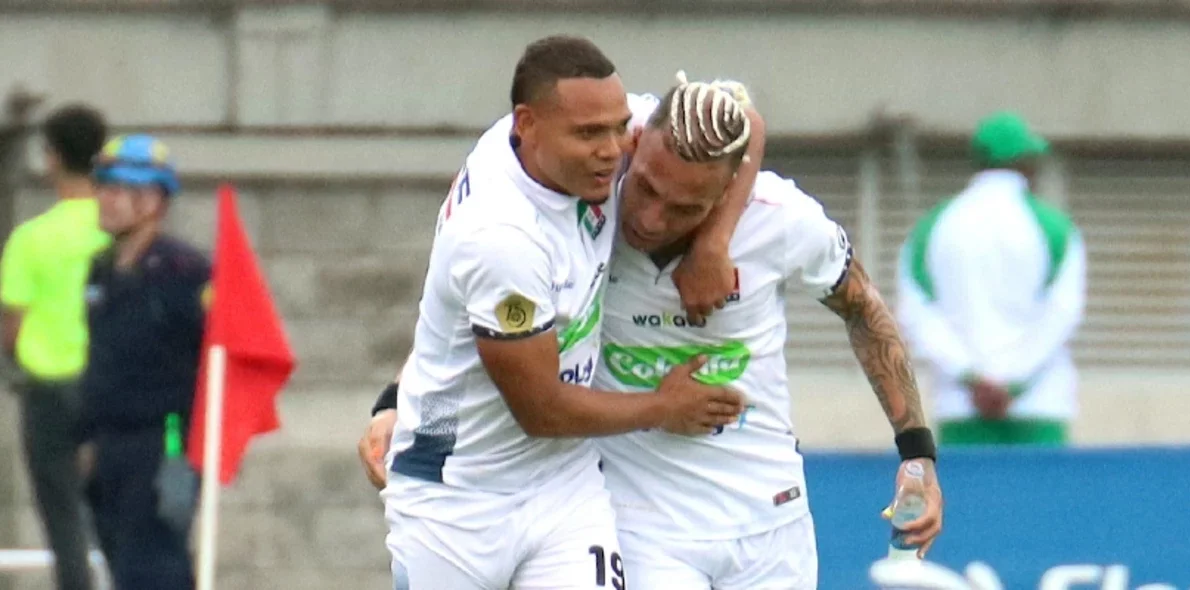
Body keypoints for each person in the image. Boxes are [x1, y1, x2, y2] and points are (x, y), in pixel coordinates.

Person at [364, 78, 944, 589]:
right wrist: (401, 401)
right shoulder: (587, 195)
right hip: (639, 522)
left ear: (726, 194)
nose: (648, 218)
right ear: (636, 145)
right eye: (645, 188)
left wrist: (916, 454)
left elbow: (863, 308)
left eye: (684, 208)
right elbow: (479, 304)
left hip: (771, 516)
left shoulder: (782, 219)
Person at [379, 36, 762, 590]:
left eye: (618, 126)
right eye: (590, 135)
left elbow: (744, 122)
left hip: (561, 484)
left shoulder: (589, 140)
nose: (614, 149)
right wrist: (663, 406)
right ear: (527, 124)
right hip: (457, 492)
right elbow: (542, 410)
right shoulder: (502, 235)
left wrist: (713, 243)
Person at [895, 111, 1087, 447]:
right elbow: (1062, 314)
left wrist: (973, 380)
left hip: (962, 408)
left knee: (967, 500)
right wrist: (1012, 386)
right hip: (1038, 406)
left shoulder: (932, 228)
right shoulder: (1055, 228)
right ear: (1025, 162)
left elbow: (917, 315)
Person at [80, 134, 208, 590]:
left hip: (166, 442)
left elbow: (213, 355)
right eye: (102, 187)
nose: (104, 200)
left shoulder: (184, 272)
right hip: (108, 445)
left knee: (155, 561)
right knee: (118, 561)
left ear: (151, 200)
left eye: (116, 189)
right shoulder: (100, 268)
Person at [0, 103, 109, 590]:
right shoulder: (114, 234)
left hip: (48, 393)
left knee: (63, 520)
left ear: (52, 157)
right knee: (117, 512)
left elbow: (12, 324)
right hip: (108, 389)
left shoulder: (31, 238)